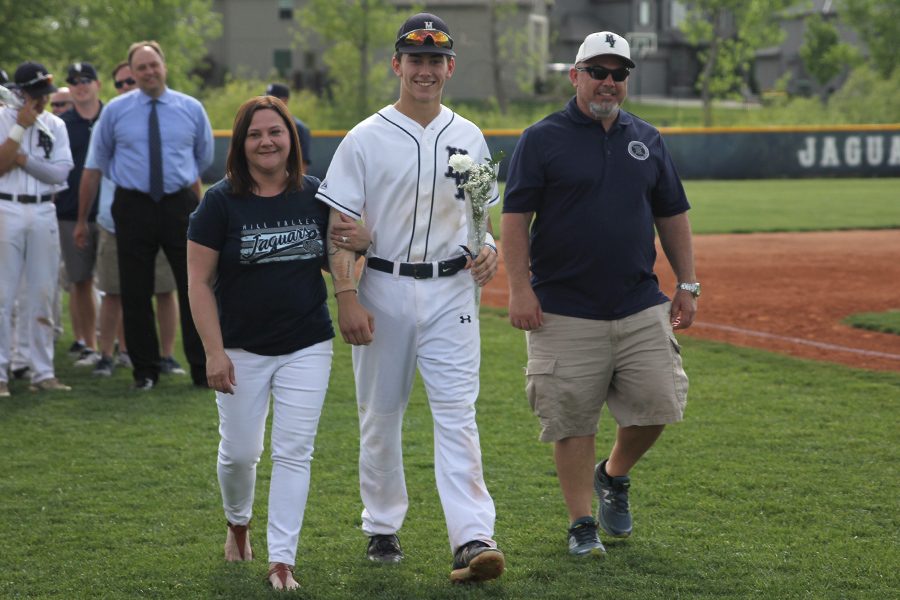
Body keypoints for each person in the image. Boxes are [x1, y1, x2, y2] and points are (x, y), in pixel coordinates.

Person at [318, 12, 505, 584]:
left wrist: (489, 245)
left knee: (457, 414)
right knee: (381, 413)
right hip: (384, 286)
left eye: (435, 59)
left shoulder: (469, 134)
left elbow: (479, 217)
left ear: (450, 67)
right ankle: (381, 525)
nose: (425, 69)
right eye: (415, 58)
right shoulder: (365, 137)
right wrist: (347, 296)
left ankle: (472, 536)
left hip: (453, 289)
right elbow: (340, 228)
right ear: (397, 64)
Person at [501, 31, 699, 557]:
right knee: (571, 417)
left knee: (659, 405)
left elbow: (672, 213)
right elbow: (515, 220)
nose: (609, 82)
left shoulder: (648, 138)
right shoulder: (541, 138)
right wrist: (519, 289)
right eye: (598, 72)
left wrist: (687, 283)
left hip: (638, 301)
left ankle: (613, 474)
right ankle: (581, 522)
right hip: (564, 307)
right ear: (576, 75)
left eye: (619, 74)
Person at [187, 96, 367, 591]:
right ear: (240, 144)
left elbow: (345, 253)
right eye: (254, 134)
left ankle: (282, 559)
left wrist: (363, 242)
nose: (266, 141)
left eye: (276, 132)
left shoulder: (317, 196)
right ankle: (237, 524)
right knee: (240, 453)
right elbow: (199, 283)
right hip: (241, 348)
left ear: (292, 139)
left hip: (306, 343)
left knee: (294, 451)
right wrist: (214, 351)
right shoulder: (219, 202)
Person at [75, 40, 213, 390]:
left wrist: (178, 185)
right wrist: (81, 219)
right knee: (134, 292)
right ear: (132, 73)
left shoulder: (191, 108)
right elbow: (97, 164)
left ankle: (202, 368)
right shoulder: (116, 111)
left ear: (164, 66)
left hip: (178, 204)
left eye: (154, 65)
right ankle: (146, 371)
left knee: (195, 286)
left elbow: (203, 158)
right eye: (141, 67)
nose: (149, 72)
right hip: (132, 205)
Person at [77, 61, 183, 377]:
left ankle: (165, 356)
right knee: (114, 292)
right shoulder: (111, 118)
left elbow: (194, 162)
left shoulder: (172, 113)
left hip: (162, 215)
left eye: (129, 82)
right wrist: (83, 219)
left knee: (165, 290)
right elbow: (92, 170)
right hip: (116, 219)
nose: (127, 87)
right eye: (121, 83)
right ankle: (108, 355)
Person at [0, 61, 74, 396]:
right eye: (35, 94)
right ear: (20, 93)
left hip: (44, 207)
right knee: (3, 296)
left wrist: (22, 159)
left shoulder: (55, 124)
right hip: (6, 207)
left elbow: (60, 175)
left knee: (43, 293)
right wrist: (18, 131)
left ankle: (42, 372)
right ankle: (1, 374)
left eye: (44, 94)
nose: (41, 100)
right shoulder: (3, 119)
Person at [56, 62, 103, 367]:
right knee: (80, 281)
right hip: (71, 212)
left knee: (115, 285)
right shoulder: (61, 123)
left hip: (111, 212)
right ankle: (88, 343)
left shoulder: (112, 116)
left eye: (86, 79)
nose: (80, 85)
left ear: (98, 83)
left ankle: (121, 345)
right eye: (74, 81)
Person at [264, 83, 312, 172]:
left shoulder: (298, 127)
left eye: (272, 99)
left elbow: (302, 164)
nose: (267, 103)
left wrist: (296, 185)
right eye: (266, 99)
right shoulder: (261, 124)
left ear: (285, 100)